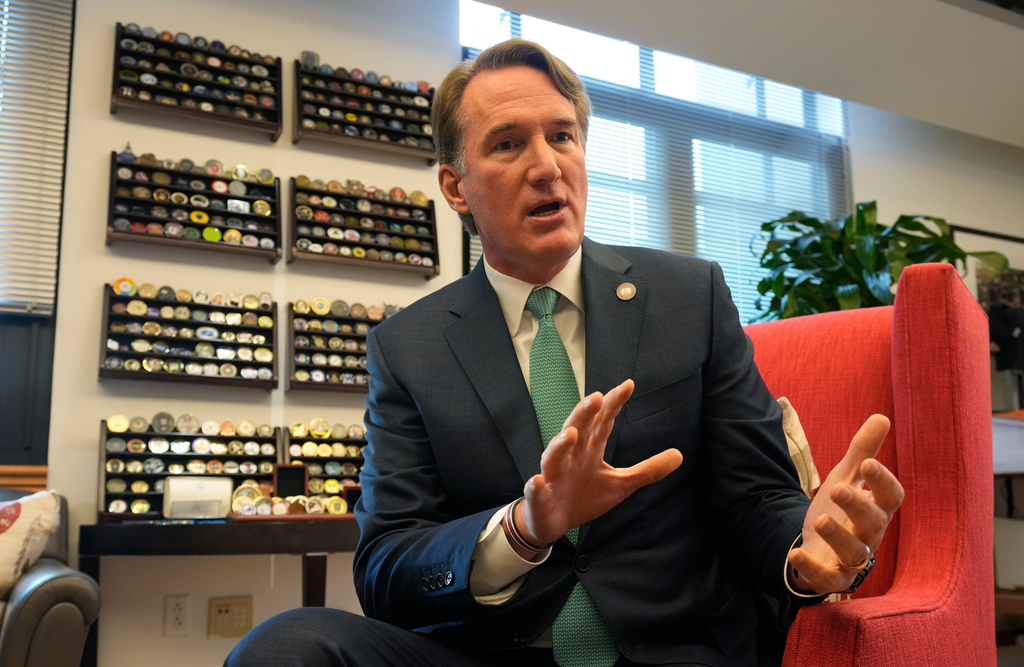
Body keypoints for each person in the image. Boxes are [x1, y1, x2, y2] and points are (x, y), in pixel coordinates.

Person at [226, 38, 903, 667]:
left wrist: (804, 550)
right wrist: (525, 526)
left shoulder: (689, 295)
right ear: (456, 186)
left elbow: (755, 497)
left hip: (671, 648)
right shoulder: (409, 347)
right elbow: (387, 567)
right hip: (490, 651)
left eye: (562, 136)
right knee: (284, 646)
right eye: (508, 143)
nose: (547, 165)